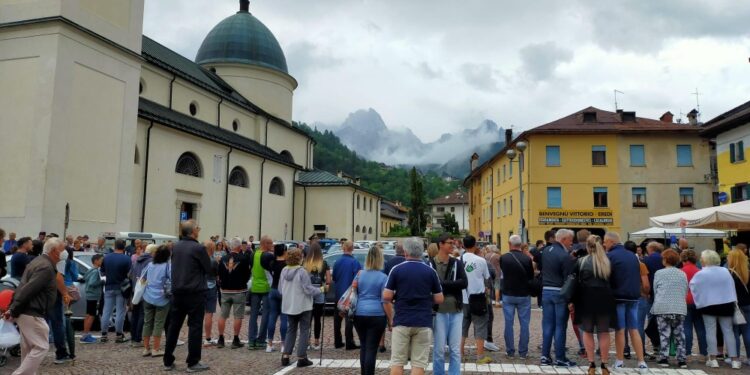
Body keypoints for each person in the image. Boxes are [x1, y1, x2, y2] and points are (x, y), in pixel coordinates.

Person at [383, 237, 444, 375]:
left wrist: (398, 296)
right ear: (421, 252)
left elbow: (386, 296)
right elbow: (439, 298)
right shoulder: (430, 271)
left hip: (402, 320)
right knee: (418, 364)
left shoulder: (396, 269)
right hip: (423, 320)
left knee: (397, 362)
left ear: (405, 252)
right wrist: (426, 299)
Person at [4, 238, 61, 375]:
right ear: (54, 251)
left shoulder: (37, 262)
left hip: (27, 311)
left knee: (28, 349)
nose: (64, 253)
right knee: (41, 346)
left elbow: (23, 287)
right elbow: (28, 289)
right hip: (32, 312)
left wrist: (13, 308)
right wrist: (13, 308)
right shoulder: (45, 267)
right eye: (62, 250)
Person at [163, 220, 212, 372]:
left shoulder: (176, 247)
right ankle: (193, 362)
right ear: (192, 232)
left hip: (177, 292)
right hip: (195, 292)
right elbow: (208, 268)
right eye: (197, 227)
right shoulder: (198, 248)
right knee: (195, 327)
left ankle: (167, 360)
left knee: (174, 326)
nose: (199, 229)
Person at [605, 232, 648, 373]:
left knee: (620, 330)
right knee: (634, 329)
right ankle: (641, 362)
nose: (604, 245)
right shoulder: (633, 256)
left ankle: (619, 361)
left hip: (618, 297)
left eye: (606, 242)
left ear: (611, 242)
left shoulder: (610, 256)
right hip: (634, 297)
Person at [572, 235, 616, 375]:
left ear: (587, 246)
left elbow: (575, 283)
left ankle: (591, 364)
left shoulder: (581, 262)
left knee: (587, 331)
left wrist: (572, 301)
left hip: (586, 299)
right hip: (605, 299)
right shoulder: (607, 262)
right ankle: (604, 364)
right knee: (603, 332)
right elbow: (613, 282)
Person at [690, 250, 740, 369]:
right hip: (726, 303)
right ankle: (734, 360)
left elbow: (693, 286)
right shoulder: (725, 271)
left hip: (708, 304)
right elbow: (731, 286)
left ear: (705, 260)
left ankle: (713, 359)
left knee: (710, 331)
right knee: (728, 332)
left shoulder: (701, 273)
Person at [429, 234, 467, 375]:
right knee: (439, 349)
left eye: (453, 243)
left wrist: (442, 285)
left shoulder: (456, 263)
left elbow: (464, 283)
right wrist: (452, 285)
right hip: (438, 311)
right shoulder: (431, 264)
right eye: (449, 243)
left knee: (455, 349)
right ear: (441, 244)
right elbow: (430, 286)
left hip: (456, 310)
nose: (453, 246)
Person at [279, 248, 324, 368]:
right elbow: (308, 289)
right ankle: (301, 357)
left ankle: (285, 355)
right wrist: (321, 289)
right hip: (303, 305)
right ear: (300, 258)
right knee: (304, 330)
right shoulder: (302, 271)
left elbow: (280, 289)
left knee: (291, 329)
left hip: (289, 305)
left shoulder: (284, 270)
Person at [540, 229, 577, 367]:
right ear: (563, 239)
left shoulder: (545, 251)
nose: (571, 243)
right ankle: (560, 357)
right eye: (570, 240)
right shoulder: (564, 255)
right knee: (560, 326)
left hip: (546, 291)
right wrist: (571, 299)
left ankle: (545, 356)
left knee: (547, 325)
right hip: (560, 292)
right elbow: (568, 278)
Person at [354, 245, 391, 375]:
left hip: (359, 313)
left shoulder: (359, 274)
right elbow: (385, 301)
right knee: (371, 348)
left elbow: (354, 293)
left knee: (364, 346)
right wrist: (391, 319)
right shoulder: (383, 277)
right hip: (377, 315)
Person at [651, 249, 688, 368]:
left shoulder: (659, 273)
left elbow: (655, 289)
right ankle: (682, 359)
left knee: (664, 333)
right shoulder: (682, 273)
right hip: (679, 307)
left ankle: (664, 358)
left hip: (663, 307)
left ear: (665, 260)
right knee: (679, 334)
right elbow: (685, 290)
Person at [499, 234, 533, 359]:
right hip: (524, 294)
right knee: (524, 324)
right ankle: (523, 352)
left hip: (508, 294)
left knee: (509, 323)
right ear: (520, 244)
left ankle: (510, 351)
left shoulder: (504, 258)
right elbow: (530, 276)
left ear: (509, 244)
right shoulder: (527, 259)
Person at [459, 235, 492, 364]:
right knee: (481, 326)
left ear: (463, 245)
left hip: (462, 298)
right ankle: (480, 356)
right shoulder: (481, 260)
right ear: (475, 245)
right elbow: (487, 278)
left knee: (462, 327)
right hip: (477, 297)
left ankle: (460, 354)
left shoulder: (457, 260)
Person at [216, 237, 251, 349]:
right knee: (238, 316)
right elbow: (247, 275)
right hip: (239, 290)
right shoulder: (244, 258)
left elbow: (220, 274)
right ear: (239, 246)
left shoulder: (223, 258)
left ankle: (220, 339)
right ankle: (235, 339)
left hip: (225, 290)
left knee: (223, 315)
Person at [142, 244, 172, 358]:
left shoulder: (150, 264)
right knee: (159, 323)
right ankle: (156, 348)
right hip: (162, 298)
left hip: (148, 296)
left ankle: (146, 348)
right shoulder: (167, 266)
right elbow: (171, 280)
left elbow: (143, 278)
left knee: (147, 322)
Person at [100, 239, 131, 343]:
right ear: (124, 247)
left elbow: (102, 272)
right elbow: (129, 274)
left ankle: (104, 334)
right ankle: (119, 334)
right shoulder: (127, 259)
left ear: (114, 246)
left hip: (109, 286)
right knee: (120, 312)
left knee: (106, 311)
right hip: (122, 287)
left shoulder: (106, 257)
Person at [333, 240, 362, 349]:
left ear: (343, 248)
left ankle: (337, 341)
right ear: (352, 249)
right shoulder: (355, 262)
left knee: (337, 319)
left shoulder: (337, 262)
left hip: (338, 292)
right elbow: (358, 279)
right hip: (350, 294)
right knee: (349, 318)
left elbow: (334, 277)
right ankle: (349, 342)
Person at [247, 235, 275, 350]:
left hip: (254, 287)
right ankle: (261, 340)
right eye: (271, 244)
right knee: (265, 314)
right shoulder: (268, 256)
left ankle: (251, 340)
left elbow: (251, 268)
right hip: (266, 287)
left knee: (253, 314)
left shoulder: (253, 254)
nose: (272, 246)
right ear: (265, 244)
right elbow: (272, 271)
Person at [302, 242, 331, 350]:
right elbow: (328, 280)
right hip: (319, 291)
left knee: (307, 318)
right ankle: (317, 342)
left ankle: (307, 341)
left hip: (308, 292)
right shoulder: (324, 263)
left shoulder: (305, 263)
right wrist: (325, 287)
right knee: (318, 318)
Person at [680, 249, 707, 360]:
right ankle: (704, 353)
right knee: (701, 328)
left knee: (686, 328)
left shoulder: (681, 271)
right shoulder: (699, 271)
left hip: (685, 301)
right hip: (698, 301)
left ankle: (687, 353)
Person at [727, 249, 750, 365]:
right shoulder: (747, 272)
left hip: (735, 306)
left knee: (734, 333)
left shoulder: (729, 274)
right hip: (747, 305)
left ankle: (734, 357)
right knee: (747, 331)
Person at [130, 243, 154, 346]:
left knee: (135, 314)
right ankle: (138, 338)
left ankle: (133, 337)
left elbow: (130, 274)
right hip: (145, 291)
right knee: (142, 315)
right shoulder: (151, 262)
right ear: (153, 252)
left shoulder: (136, 260)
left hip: (136, 290)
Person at [267, 243, 288, 352]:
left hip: (273, 289)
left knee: (272, 316)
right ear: (284, 252)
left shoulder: (272, 263)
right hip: (283, 291)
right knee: (284, 317)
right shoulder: (286, 264)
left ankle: (269, 344)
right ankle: (283, 344)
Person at [80, 253, 104, 344]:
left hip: (89, 295)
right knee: (91, 315)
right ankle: (85, 335)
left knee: (88, 315)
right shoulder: (95, 271)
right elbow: (92, 283)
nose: (102, 262)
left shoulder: (90, 270)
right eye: (101, 260)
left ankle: (85, 334)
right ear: (96, 261)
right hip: (93, 295)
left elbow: (84, 278)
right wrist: (102, 281)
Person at [203, 241, 219, 346]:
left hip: (200, 287)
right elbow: (217, 275)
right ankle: (207, 338)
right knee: (209, 313)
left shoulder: (199, 260)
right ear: (212, 249)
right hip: (211, 287)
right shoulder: (213, 261)